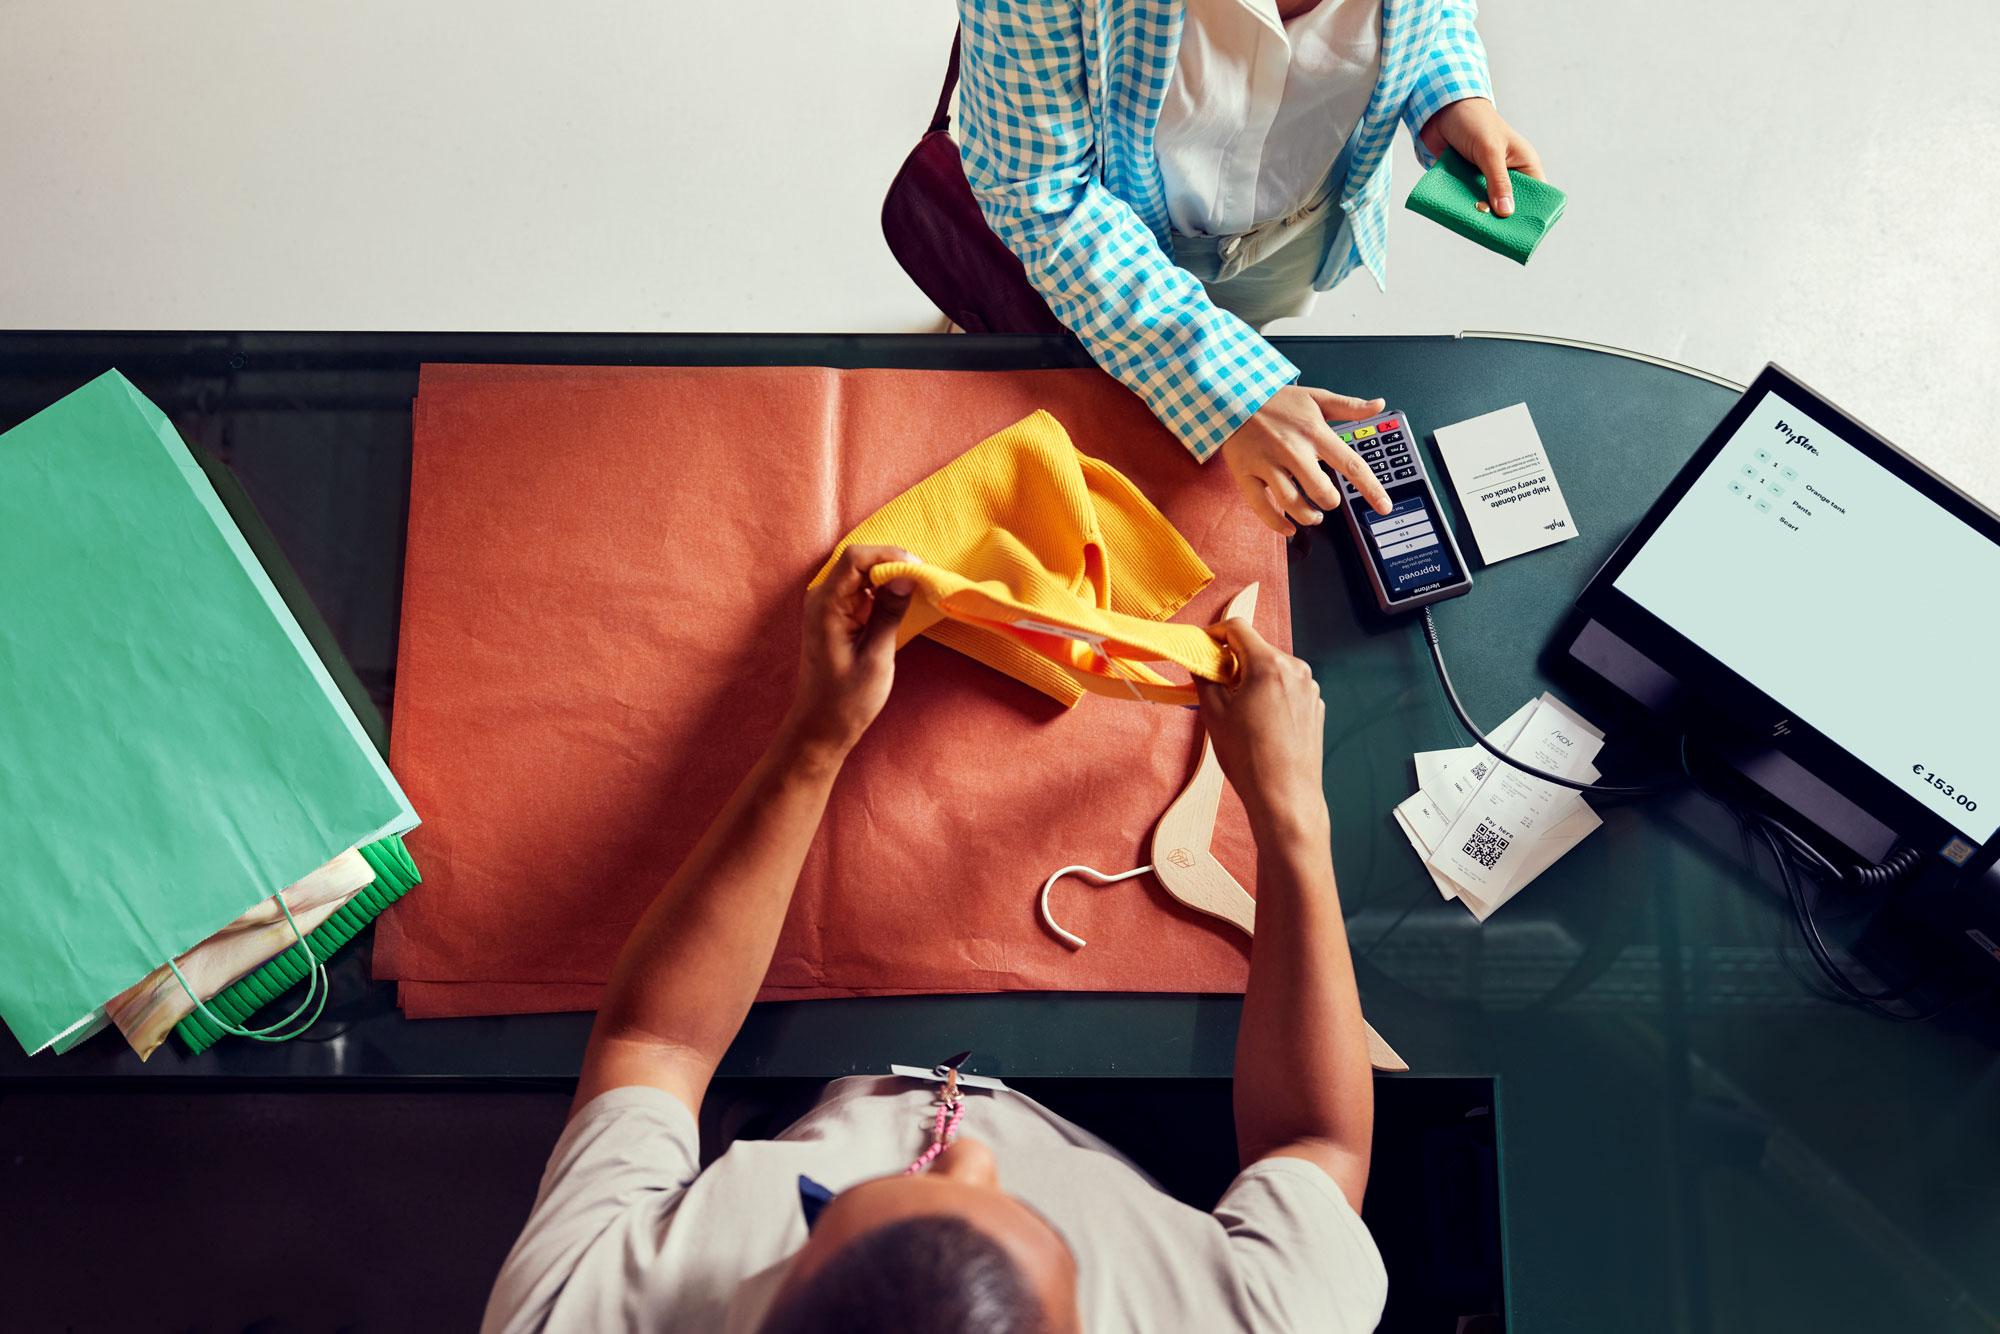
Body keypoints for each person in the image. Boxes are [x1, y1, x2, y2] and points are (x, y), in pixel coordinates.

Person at [482, 547, 1385, 1333]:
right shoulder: (1260, 1316)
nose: (972, 1152)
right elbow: (1312, 1147)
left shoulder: (581, 1310)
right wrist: (1294, 817)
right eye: (1029, 1217)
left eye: (826, 1210)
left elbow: (655, 1047)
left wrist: (817, 735)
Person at [954, 0, 1544, 537]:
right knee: (1060, 444)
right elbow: (1040, 193)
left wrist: (1451, 95)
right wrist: (1230, 388)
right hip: (1102, 255)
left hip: (1301, 229)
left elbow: (1438, 14)